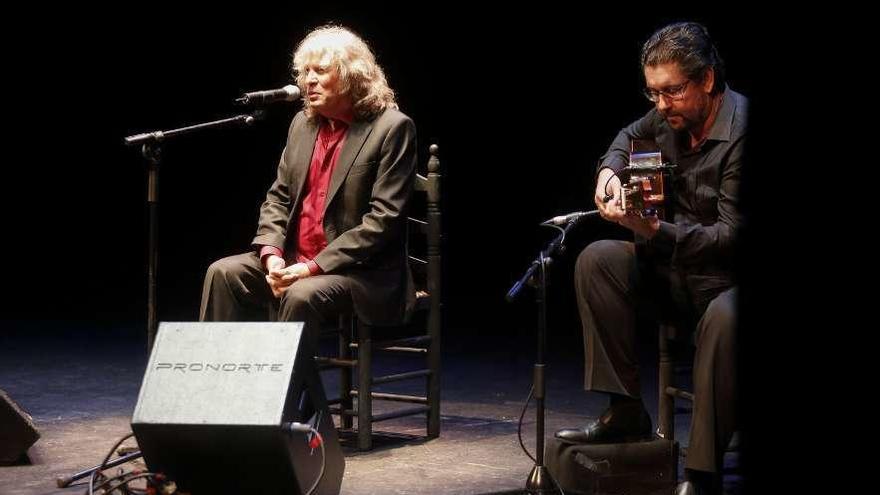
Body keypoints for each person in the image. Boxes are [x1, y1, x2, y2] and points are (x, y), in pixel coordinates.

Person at [554, 22, 745, 495]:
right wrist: (608, 173)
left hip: (727, 282)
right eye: (653, 92)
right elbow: (625, 137)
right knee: (598, 259)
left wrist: (656, 230)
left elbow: (731, 238)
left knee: (726, 316)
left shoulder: (741, 133)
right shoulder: (667, 116)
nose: (661, 105)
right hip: (680, 275)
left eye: (672, 92)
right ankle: (625, 411)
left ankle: (703, 471)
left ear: (706, 80)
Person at [199, 25, 417, 355]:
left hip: (360, 273)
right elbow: (279, 197)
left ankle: (286, 401)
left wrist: (310, 267)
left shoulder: (392, 128)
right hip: (293, 259)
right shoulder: (303, 124)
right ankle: (217, 388)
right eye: (305, 72)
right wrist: (272, 255)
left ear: (351, 76)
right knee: (223, 273)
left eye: (320, 71)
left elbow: (382, 222)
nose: (308, 81)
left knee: (302, 295)